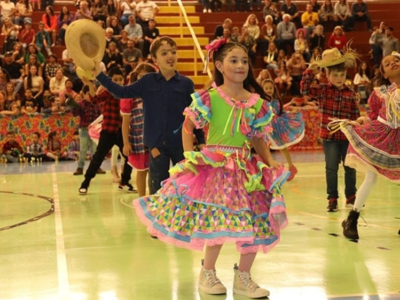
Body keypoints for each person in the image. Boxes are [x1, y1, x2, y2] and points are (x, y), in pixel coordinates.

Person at [130, 39, 288, 299]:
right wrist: (190, 157)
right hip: (215, 167)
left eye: (244, 61)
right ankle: (208, 272)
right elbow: (188, 126)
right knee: (215, 218)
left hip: (246, 170)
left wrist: (269, 162)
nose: (240, 66)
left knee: (254, 220)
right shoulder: (211, 97)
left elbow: (258, 138)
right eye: (233, 61)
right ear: (219, 65)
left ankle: (243, 277)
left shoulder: (257, 103)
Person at [94, 36, 205, 195]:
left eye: (173, 52)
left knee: (183, 189)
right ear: (155, 59)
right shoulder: (147, 81)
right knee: (157, 190)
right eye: (164, 53)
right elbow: (121, 92)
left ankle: (178, 218)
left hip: (181, 145)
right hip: (156, 146)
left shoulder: (186, 84)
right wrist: (99, 75)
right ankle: (157, 217)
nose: (170, 56)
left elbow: (194, 114)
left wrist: (200, 140)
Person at [340, 52, 400, 239]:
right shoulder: (382, 92)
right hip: (381, 136)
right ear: (384, 73)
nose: (394, 63)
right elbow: (375, 115)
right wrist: (363, 121)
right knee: (371, 179)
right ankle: (352, 218)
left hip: (397, 140)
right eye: (388, 64)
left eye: (396, 60)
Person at [300, 47, 360, 212]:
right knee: (331, 168)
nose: (339, 78)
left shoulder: (351, 93)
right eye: (335, 75)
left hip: (347, 138)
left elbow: (356, 117)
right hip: (330, 138)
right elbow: (304, 90)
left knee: (350, 168)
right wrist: (309, 72)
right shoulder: (323, 90)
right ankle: (332, 198)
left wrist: (357, 135)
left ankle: (351, 196)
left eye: (341, 75)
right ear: (327, 75)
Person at [78, 67, 135, 194]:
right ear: (111, 81)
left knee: (130, 156)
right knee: (98, 158)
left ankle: (125, 182)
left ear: (124, 80)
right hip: (108, 131)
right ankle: (85, 183)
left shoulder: (127, 93)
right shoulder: (108, 92)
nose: (118, 82)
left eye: (120, 79)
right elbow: (94, 100)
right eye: (115, 79)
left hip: (122, 132)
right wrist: (89, 84)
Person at [121, 63, 157, 197]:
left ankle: (154, 198)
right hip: (138, 139)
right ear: (136, 77)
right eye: (142, 76)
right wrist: (126, 143)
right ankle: (142, 198)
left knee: (155, 170)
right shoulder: (131, 95)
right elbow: (125, 122)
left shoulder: (156, 94)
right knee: (142, 171)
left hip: (155, 138)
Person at [262, 79, 304, 180]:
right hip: (265, 127)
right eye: (266, 88)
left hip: (274, 127)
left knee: (282, 147)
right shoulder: (262, 100)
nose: (268, 90)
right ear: (262, 89)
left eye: (270, 88)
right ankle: (267, 170)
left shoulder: (275, 101)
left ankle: (291, 166)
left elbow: (275, 112)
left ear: (274, 89)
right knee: (264, 148)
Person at [67, 84, 104, 176]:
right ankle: (80, 167)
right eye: (88, 94)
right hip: (83, 130)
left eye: (92, 93)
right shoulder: (80, 104)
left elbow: (100, 116)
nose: (90, 96)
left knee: (95, 150)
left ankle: (96, 167)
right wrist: (73, 106)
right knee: (83, 149)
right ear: (83, 94)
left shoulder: (96, 104)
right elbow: (75, 114)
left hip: (94, 131)